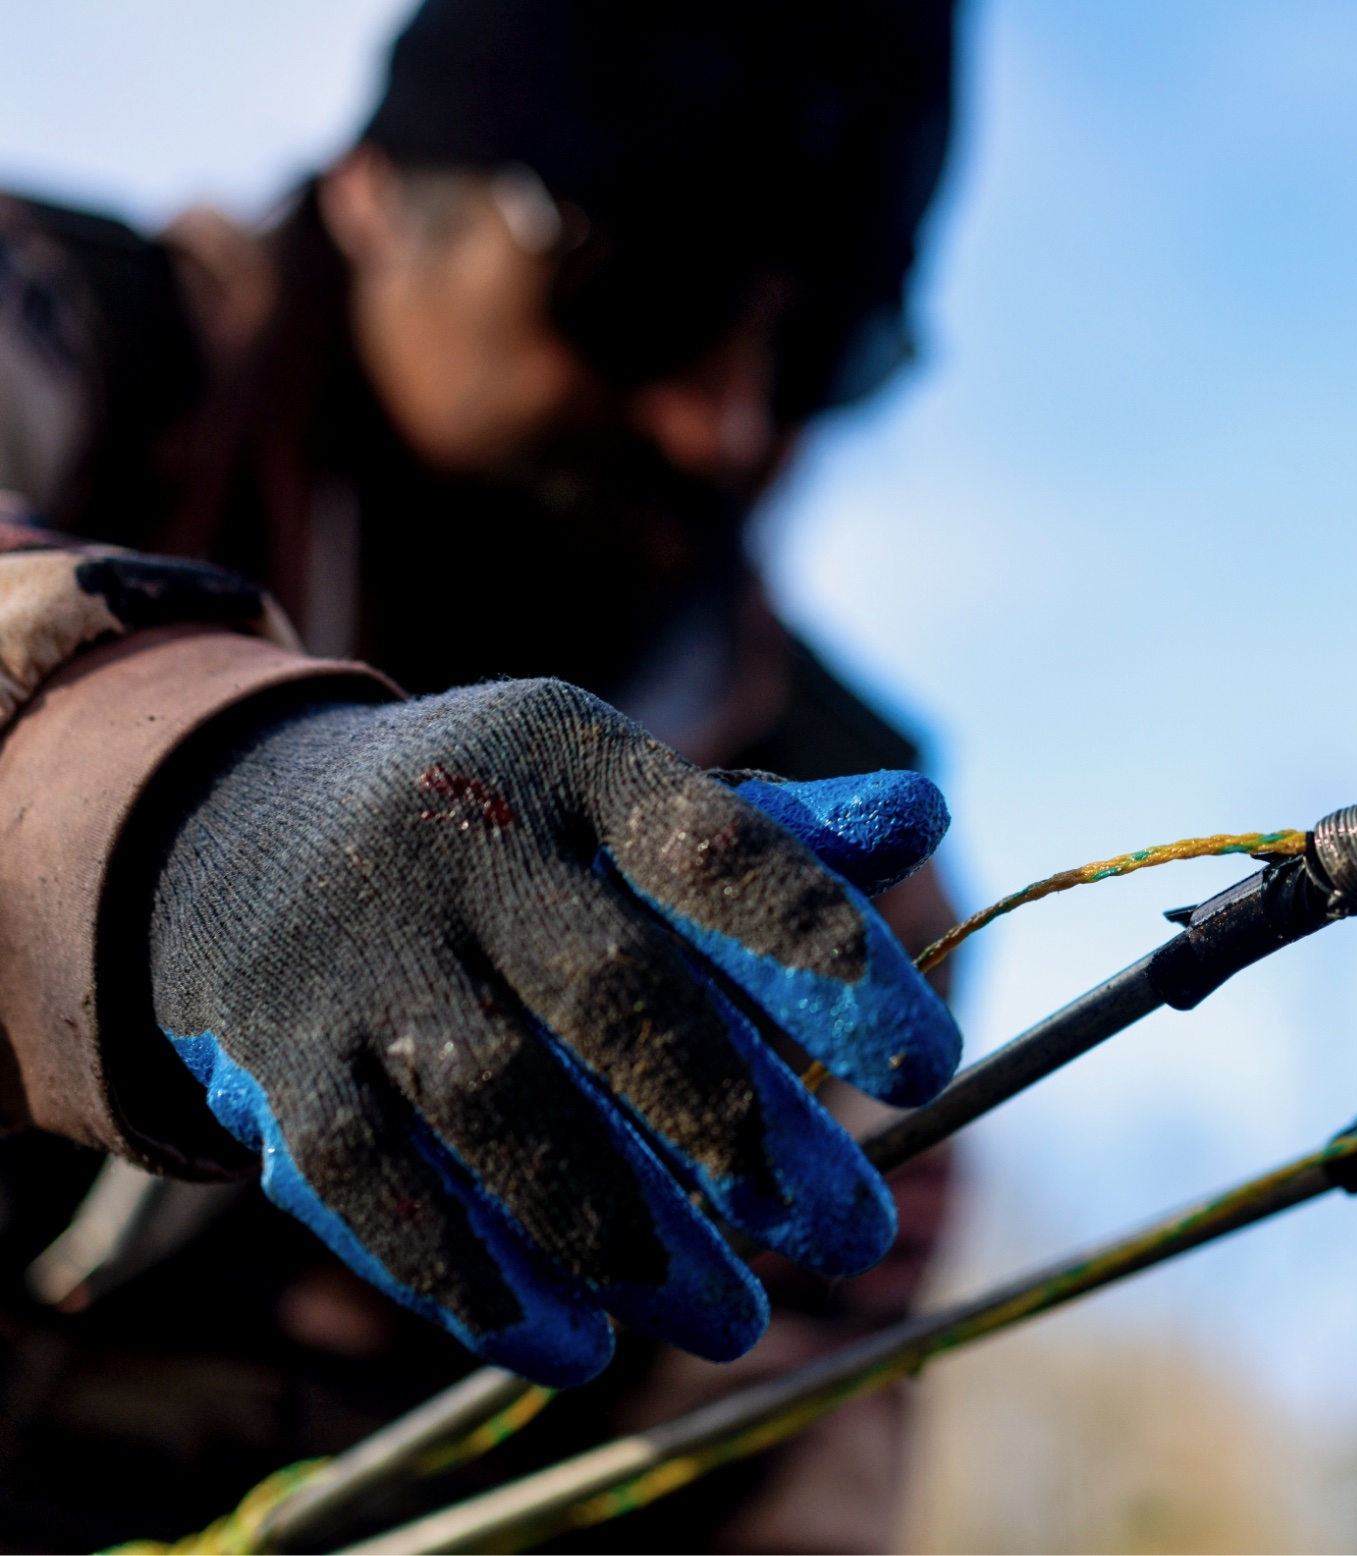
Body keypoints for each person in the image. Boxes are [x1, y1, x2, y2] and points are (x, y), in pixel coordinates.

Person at [0, 1, 962, 1548]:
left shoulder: (838, 822)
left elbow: (795, 1462)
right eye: (637, 291)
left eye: (828, 353)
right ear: (383, 191)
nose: (719, 422)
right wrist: (195, 805)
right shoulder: (70, 333)